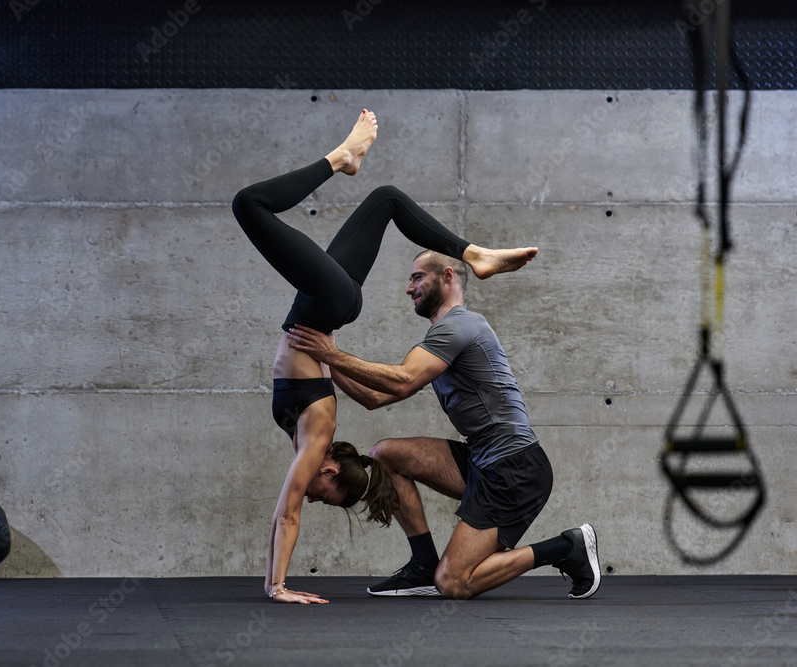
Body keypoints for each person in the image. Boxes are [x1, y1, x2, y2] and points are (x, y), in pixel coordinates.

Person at [231, 110, 539, 604]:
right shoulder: (316, 440)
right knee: (257, 203)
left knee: (378, 200)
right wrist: (276, 587)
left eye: (320, 500)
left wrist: (332, 359)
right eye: (324, 493)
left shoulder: (312, 437)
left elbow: (290, 505)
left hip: (328, 301)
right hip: (327, 301)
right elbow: (288, 512)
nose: (313, 495)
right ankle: (351, 166)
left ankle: (464, 246)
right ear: (329, 471)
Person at [286, 249, 601, 600]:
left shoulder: (460, 326)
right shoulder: (444, 336)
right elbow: (373, 398)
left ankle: (565, 547)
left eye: (417, 277)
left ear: (447, 277)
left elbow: (403, 379)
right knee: (385, 454)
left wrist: (331, 354)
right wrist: (325, 364)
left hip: (515, 469)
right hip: (483, 458)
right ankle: (422, 565)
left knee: (453, 582)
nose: (409, 288)